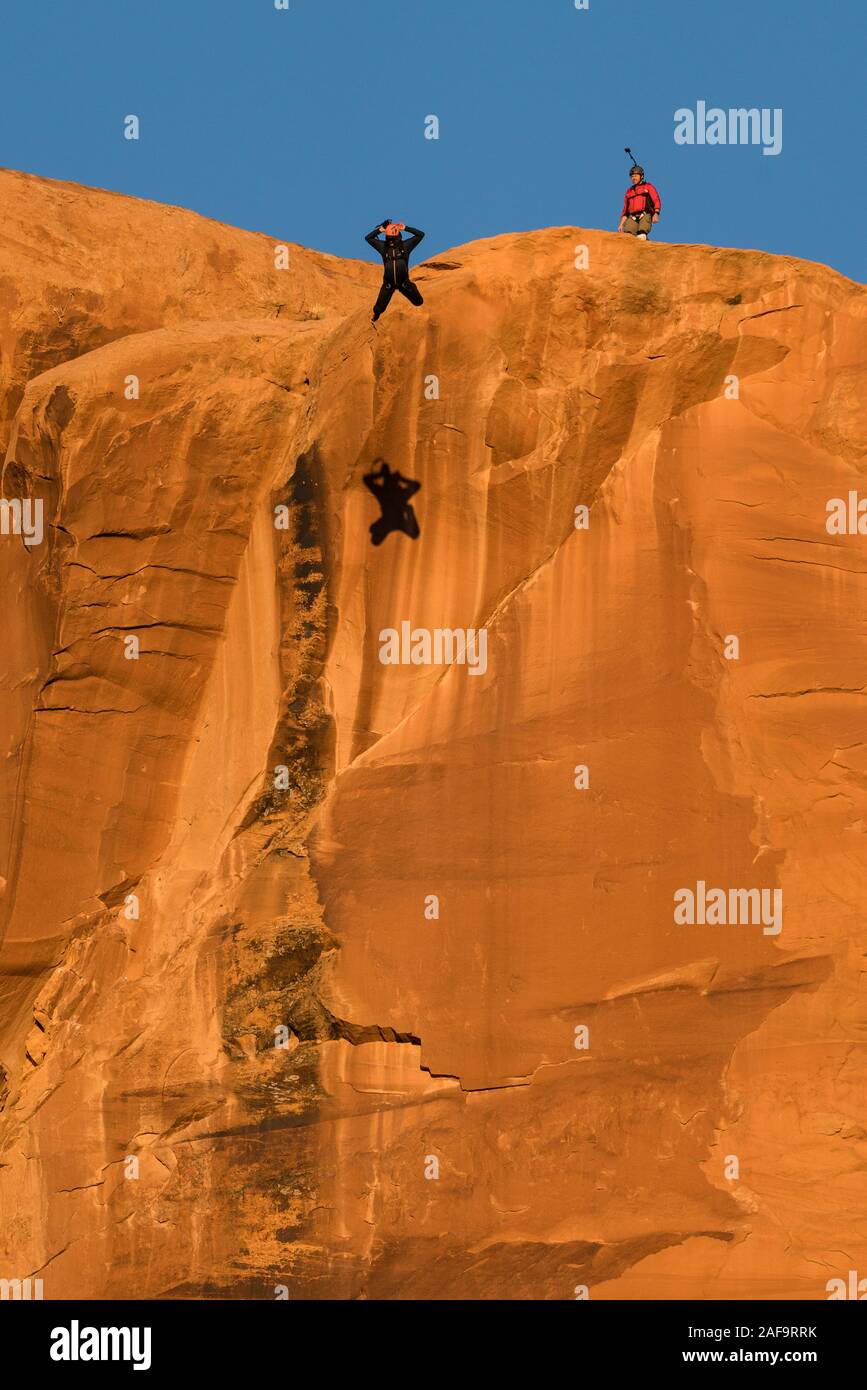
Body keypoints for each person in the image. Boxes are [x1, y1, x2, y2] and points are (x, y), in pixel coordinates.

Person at [365, 219, 426, 321]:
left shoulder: (405, 246)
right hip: (389, 284)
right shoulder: (383, 246)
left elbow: (421, 235)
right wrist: (381, 229)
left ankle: (411, 286)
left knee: (419, 302)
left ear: (398, 236)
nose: (391, 241)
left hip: (404, 283)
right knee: (378, 309)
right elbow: (368, 238)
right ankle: (375, 316)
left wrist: (406, 228)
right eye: (389, 238)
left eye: (393, 238)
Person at [363, 461, 421, 545]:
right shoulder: (384, 496)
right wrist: (410, 513)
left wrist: (410, 512)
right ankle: (388, 474)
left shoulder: (383, 496)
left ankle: (388, 474)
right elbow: (414, 534)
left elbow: (415, 534)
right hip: (397, 497)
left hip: (394, 496)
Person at [618, 166, 661, 239]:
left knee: (641, 235)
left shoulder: (648, 187)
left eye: (635, 176)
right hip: (632, 217)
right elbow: (625, 211)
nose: (633, 178)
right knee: (628, 237)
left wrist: (656, 213)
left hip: (645, 215)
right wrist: (621, 224)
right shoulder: (629, 192)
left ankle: (646, 248)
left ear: (642, 176)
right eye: (632, 176)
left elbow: (656, 200)